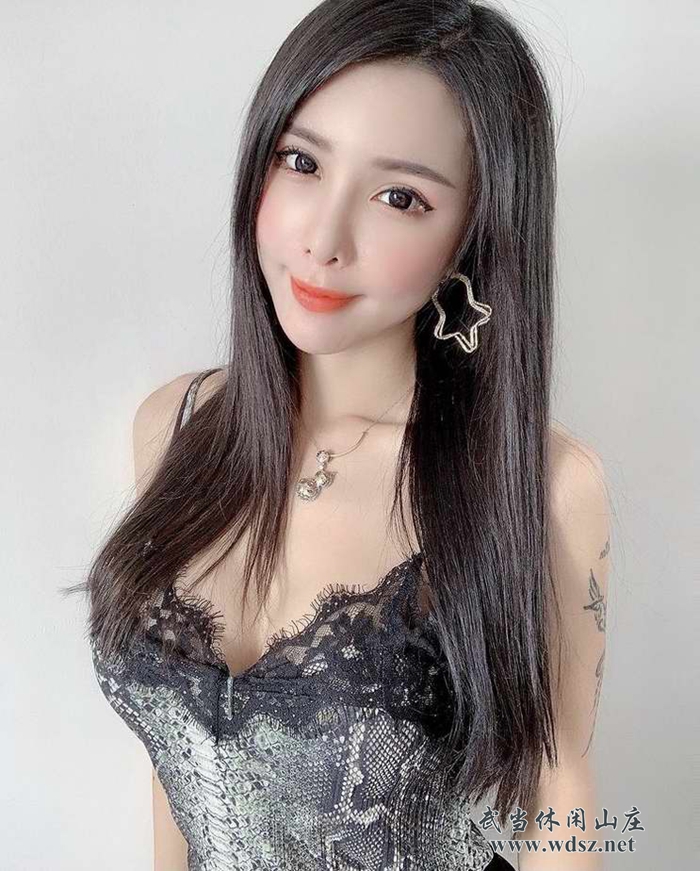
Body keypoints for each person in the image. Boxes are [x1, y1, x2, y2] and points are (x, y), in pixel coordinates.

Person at [71, 1, 612, 868]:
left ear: (470, 234)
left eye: (400, 197)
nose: (323, 240)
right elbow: (174, 775)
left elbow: (562, 793)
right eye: (302, 161)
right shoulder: (173, 426)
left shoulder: (539, 484)